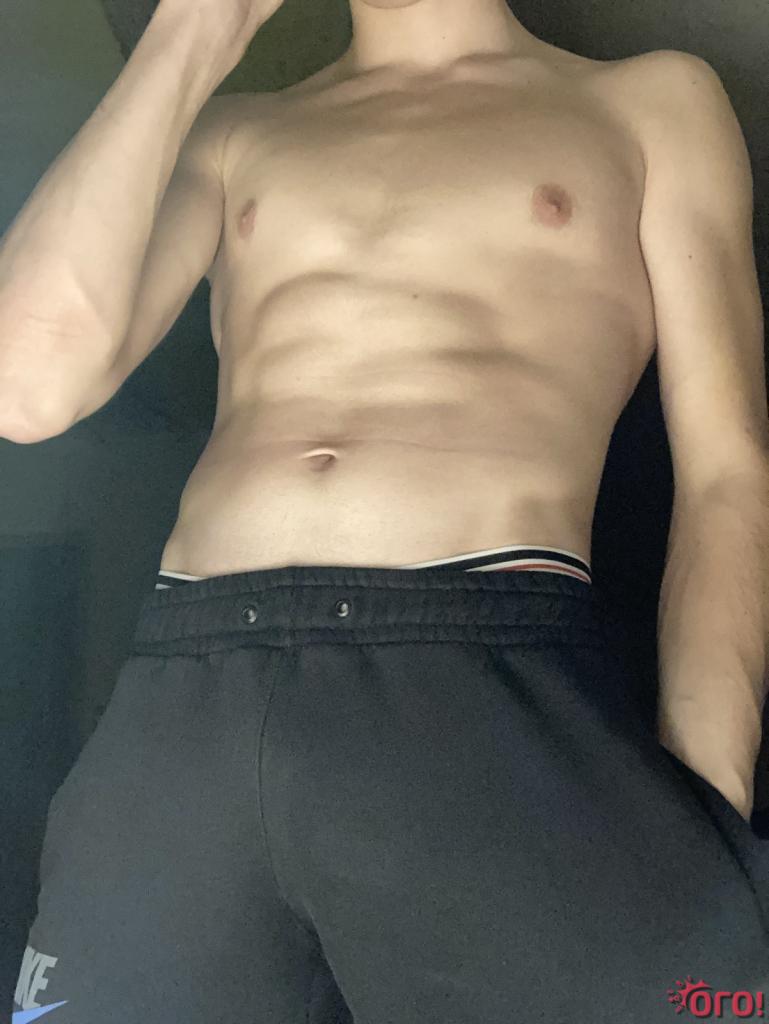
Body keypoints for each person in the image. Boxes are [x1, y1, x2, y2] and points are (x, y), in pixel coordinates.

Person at [4, 0, 769, 1020]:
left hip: (479, 664)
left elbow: (725, 472)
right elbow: (26, 387)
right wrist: (194, 29)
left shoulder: (646, 101)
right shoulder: (234, 127)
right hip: (186, 684)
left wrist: (708, 803)